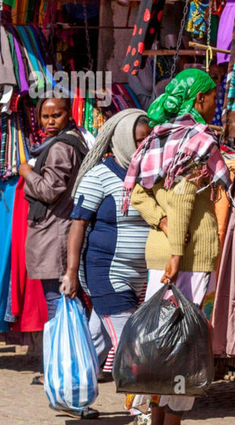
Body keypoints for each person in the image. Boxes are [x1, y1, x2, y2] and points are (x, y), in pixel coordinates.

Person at [124, 69, 231, 425]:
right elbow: (185, 199)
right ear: (199, 100)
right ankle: (173, 420)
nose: (216, 104)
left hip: (161, 254)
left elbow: (137, 193)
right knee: (183, 343)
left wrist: (160, 220)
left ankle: (154, 414)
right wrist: (176, 251)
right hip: (187, 258)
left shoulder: (155, 138)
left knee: (158, 340)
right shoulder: (198, 142)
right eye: (213, 97)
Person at [62, 109, 153, 373]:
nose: (144, 145)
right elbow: (78, 225)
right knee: (131, 344)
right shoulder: (99, 177)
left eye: (149, 138)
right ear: (123, 139)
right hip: (106, 274)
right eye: (139, 140)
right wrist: (71, 272)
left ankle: (70, 388)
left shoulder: (150, 177)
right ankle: (143, 406)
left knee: (97, 339)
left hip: (138, 277)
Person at [18, 97, 91, 414]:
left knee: (60, 308)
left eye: (56, 115)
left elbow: (49, 190)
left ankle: (67, 378)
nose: (49, 121)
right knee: (60, 308)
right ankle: (61, 373)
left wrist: (25, 172)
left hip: (55, 234)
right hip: (55, 233)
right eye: (44, 116)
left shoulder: (62, 147)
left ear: (68, 114)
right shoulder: (67, 142)